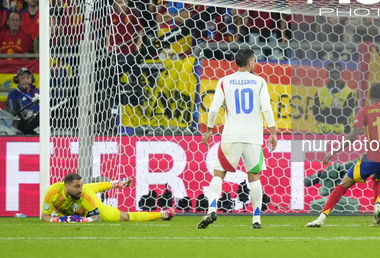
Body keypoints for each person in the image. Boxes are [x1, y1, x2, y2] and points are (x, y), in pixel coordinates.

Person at [305, 83, 380, 228]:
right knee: (377, 177)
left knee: (343, 185)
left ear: (370, 97)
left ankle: (321, 218)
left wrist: (332, 152)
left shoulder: (366, 111)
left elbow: (352, 137)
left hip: (371, 160)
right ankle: (378, 206)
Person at [199, 48, 277, 230]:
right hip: (253, 137)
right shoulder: (259, 82)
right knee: (254, 177)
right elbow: (266, 109)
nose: (255, 64)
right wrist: (273, 133)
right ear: (250, 62)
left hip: (231, 135)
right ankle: (256, 219)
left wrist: (209, 129)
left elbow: (213, 108)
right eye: (255, 61)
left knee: (219, 173)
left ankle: (211, 209)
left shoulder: (225, 81)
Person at [42, 173, 175, 222]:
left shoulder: (84, 194)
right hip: (74, 211)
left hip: (89, 211)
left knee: (126, 217)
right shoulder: (52, 193)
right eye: (77, 186)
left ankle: (162, 214)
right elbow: (44, 216)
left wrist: (83, 220)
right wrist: (61, 220)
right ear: (66, 186)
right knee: (87, 188)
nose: (80, 189)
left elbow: (97, 218)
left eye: (80, 186)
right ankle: (116, 183)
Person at [313, 61, 357, 134]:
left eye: (336, 72)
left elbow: (345, 114)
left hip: (343, 132)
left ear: (341, 74)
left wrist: (326, 111)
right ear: (327, 74)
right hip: (321, 132)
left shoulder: (349, 93)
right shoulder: (319, 92)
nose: (334, 74)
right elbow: (317, 115)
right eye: (331, 72)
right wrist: (338, 116)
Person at [6, 67, 39, 134]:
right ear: (17, 80)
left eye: (28, 78)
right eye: (22, 78)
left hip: (40, 126)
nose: (25, 80)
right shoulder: (12, 94)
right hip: (22, 129)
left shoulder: (38, 92)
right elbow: (11, 116)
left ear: (32, 79)